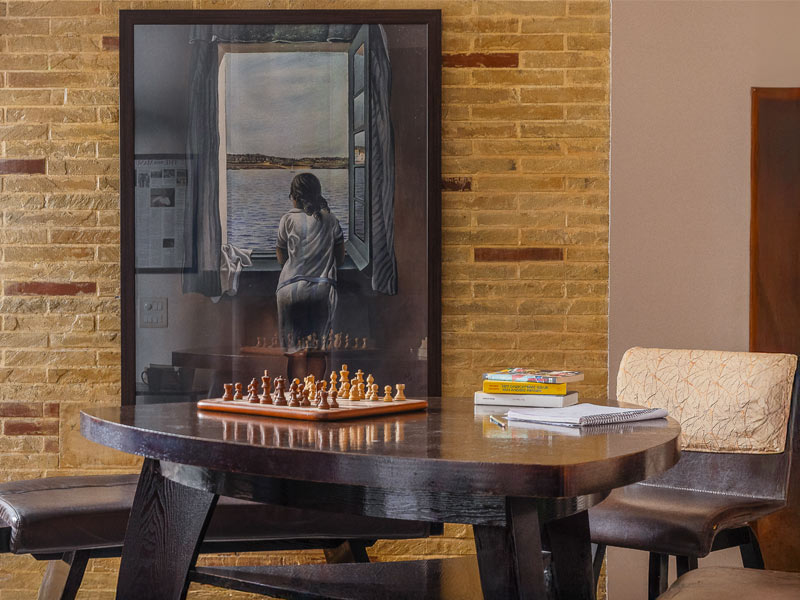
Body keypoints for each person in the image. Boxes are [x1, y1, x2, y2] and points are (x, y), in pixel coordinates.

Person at [276, 173, 345, 351]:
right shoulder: (331, 219)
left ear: (294, 197)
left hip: (289, 290)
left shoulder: (287, 219)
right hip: (322, 290)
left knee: (292, 349)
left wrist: (292, 267)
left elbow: (281, 254)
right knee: (319, 349)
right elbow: (340, 256)